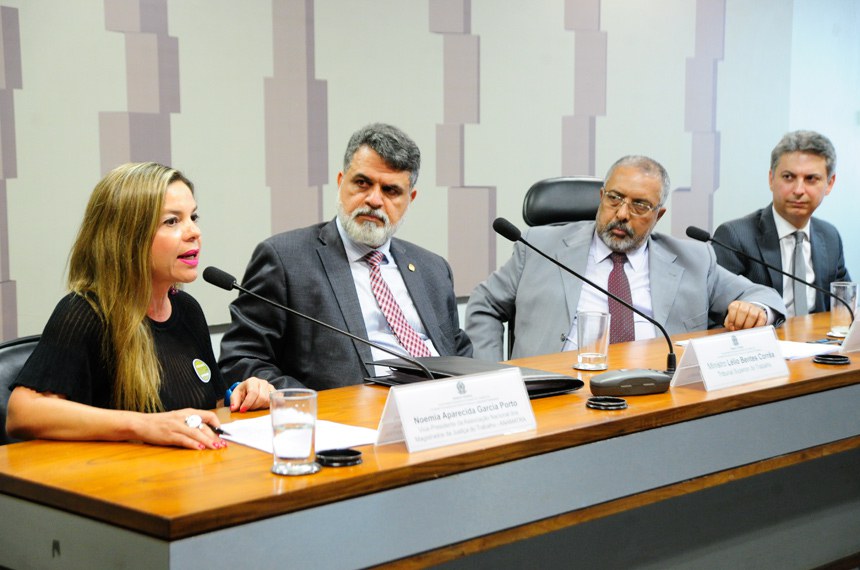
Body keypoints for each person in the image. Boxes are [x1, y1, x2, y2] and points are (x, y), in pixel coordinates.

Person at [6, 163, 272, 450]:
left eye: (193, 217)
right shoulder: (85, 312)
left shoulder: (187, 310)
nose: (194, 232)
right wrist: (144, 425)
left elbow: (209, 409)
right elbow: (22, 413)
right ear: (127, 236)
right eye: (172, 221)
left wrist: (242, 394)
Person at [218, 123, 472, 390]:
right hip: (351, 411)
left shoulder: (433, 269)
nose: (374, 200)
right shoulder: (285, 260)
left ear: (411, 199)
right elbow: (241, 359)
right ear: (341, 182)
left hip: (441, 406)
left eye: (391, 191)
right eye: (362, 183)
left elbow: (460, 353)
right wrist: (305, 402)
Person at [466, 155, 786, 362]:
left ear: (659, 215)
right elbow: (484, 303)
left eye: (639, 206)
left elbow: (763, 296)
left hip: (659, 395)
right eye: (615, 198)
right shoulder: (539, 246)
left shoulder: (694, 260)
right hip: (556, 392)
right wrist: (493, 374)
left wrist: (757, 309)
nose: (621, 213)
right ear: (601, 197)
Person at [713, 130, 850, 316]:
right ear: (771, 179)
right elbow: (716, 311)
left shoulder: (829, 236)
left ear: (830, 183)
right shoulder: (734, 237)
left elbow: (845, 304)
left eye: (811, 179)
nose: (799, 190)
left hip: (819, 334)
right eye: (788, 177)